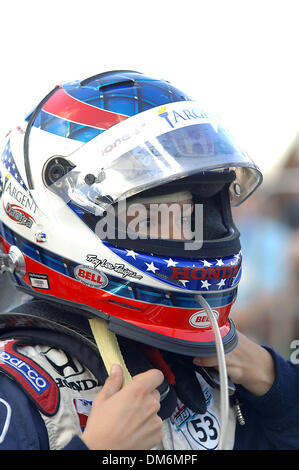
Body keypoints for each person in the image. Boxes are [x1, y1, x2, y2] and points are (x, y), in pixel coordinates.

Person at [0, 71, 298, 451]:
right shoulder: (18, 384)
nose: (186, 234)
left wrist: (275, 380)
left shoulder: (208, 367)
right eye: (153, 214)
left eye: (190, 211)